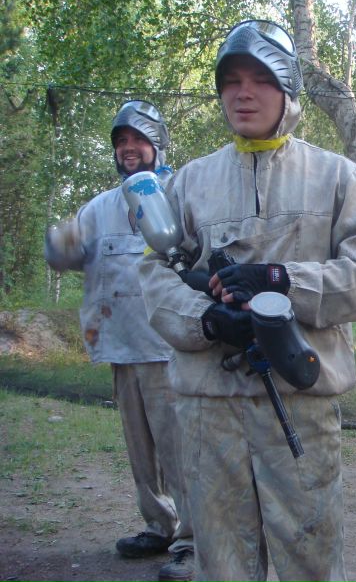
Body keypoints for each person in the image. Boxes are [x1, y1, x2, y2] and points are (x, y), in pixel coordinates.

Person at [138, 19, 356, 582]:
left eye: (260, 79)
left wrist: (280, 280)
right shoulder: (189, 183)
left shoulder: (337, 177)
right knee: (221, 565)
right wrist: (208, 320)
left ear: (287, 88)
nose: (243, 93)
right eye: (231, 80)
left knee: (311, 562)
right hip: (208, 409)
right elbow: (153, 273)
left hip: (299, 402)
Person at [45, 100, 194, 582]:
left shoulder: (179, 195)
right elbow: (70, 256)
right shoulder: (99, 208)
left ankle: (193, 541)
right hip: (121, 347)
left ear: (158, 144)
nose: (128, 148)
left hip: (168, 349)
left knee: (178, 450)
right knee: (140, 451)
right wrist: (60, 246)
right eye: (121, 141)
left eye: (138, 140)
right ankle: (160, 526)